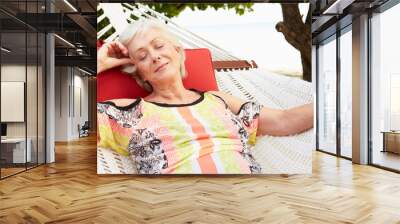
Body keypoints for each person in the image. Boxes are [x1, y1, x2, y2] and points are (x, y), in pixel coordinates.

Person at [97, 19, 313, 174]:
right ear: (138, 72)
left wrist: (334, 102)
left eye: (159, 46)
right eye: (142, 56)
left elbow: (285, 120)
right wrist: (98, 63)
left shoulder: (219, 100)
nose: (155, 56)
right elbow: (71, 123)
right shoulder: (128, 112)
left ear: (178, 51)